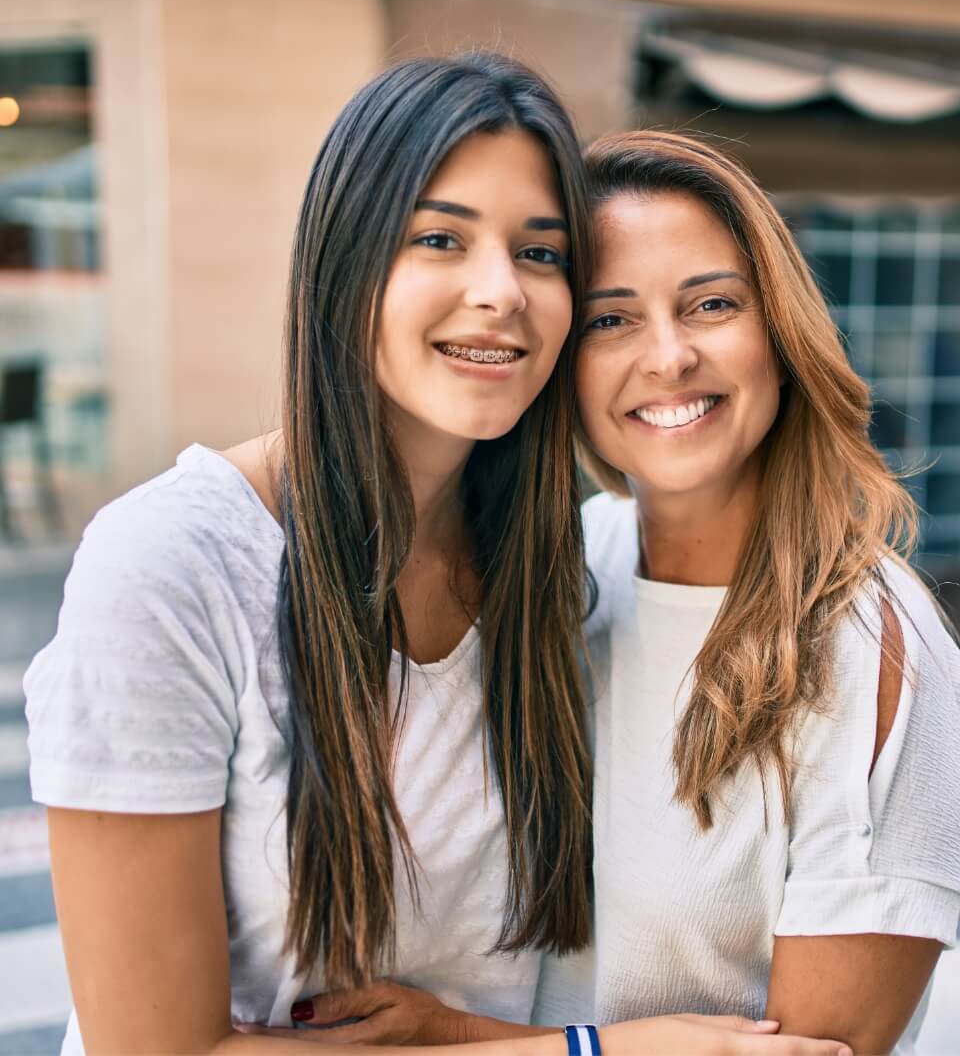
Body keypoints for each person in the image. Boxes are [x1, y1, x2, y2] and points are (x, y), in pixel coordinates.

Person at [24, 55, 845, 1056]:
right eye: (441, 238)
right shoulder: (170, 566)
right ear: (347, 259)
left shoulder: (551, 572)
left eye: (542, 255)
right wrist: (599, 1051)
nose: (500, 291)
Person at [288, 131, 960, 1055]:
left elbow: (817, 1050)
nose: (671, 356)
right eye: (611, 319)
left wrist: (450, 1036)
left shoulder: (877, 646)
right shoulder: (557, 573)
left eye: (712, 304)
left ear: (781, 332)